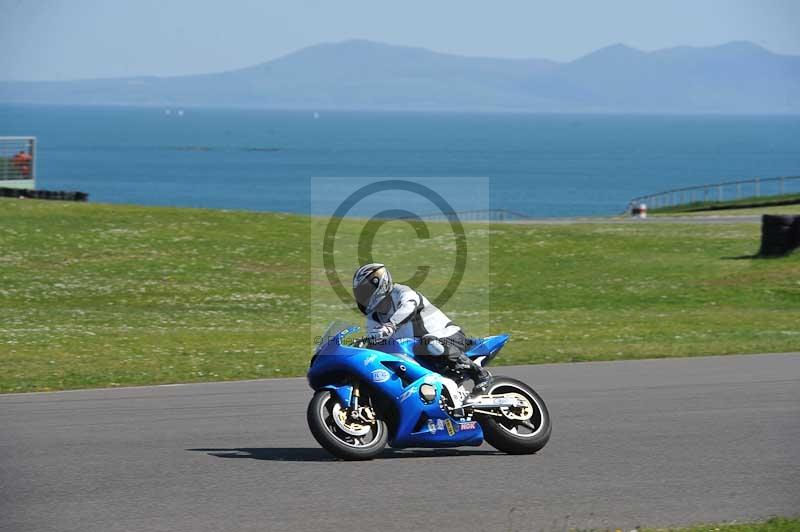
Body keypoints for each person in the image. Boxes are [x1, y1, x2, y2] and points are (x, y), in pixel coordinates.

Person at [352, 263, 491, 390]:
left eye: (365, 291)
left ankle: (479, 374)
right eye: (360, 293)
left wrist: (390, 326)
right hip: (416, 352)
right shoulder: (374, 316)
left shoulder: (402, 292)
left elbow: (409, 307)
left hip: (447, 337)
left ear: (380, 283)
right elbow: (375, 342)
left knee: (429, 343)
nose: (363, 296)